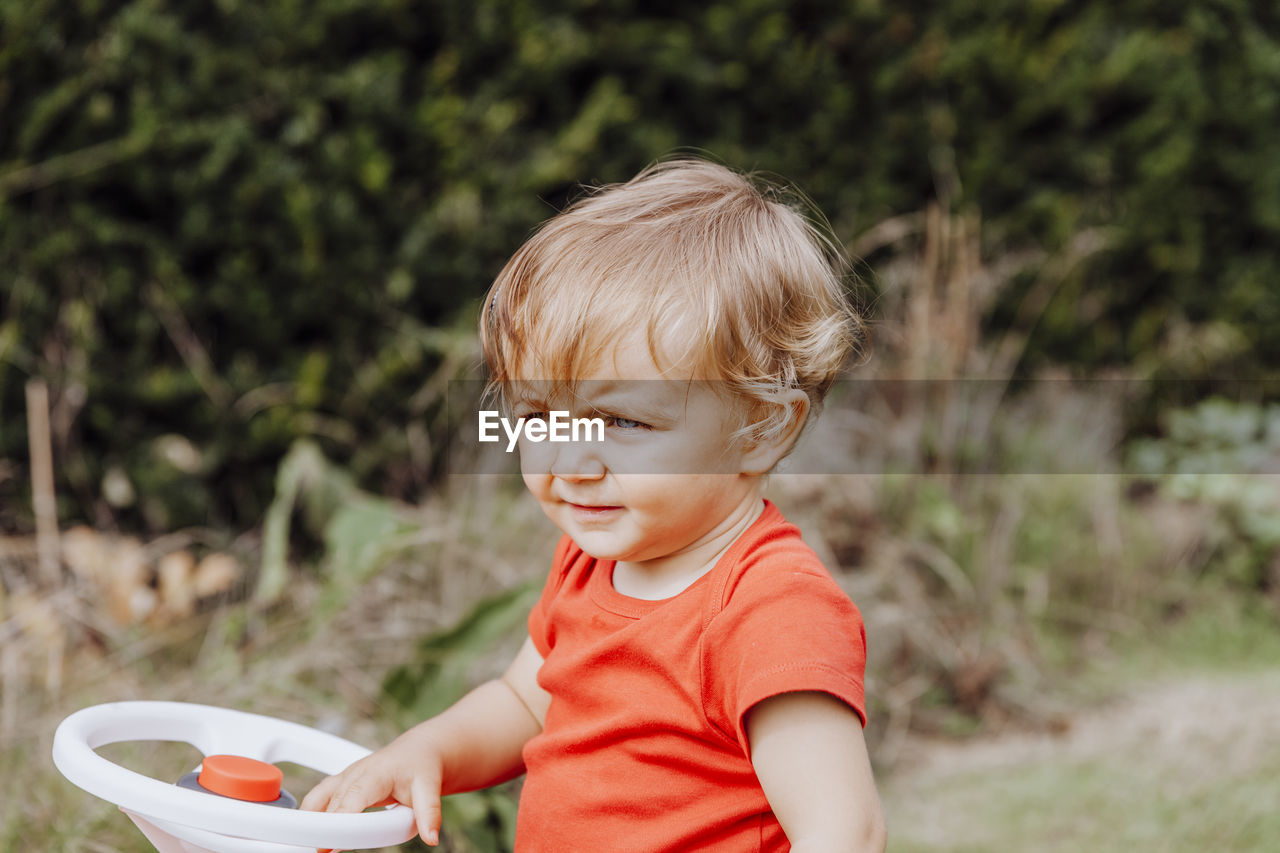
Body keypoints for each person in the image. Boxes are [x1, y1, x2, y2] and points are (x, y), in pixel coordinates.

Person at [302, 158, 887, 852]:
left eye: (624, 422)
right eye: (540, 416)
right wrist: (425, 748)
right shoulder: (589, 562)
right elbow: (525, 700)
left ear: (762, 427)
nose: (570, 461)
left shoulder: (769, 609)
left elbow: (842, 830)